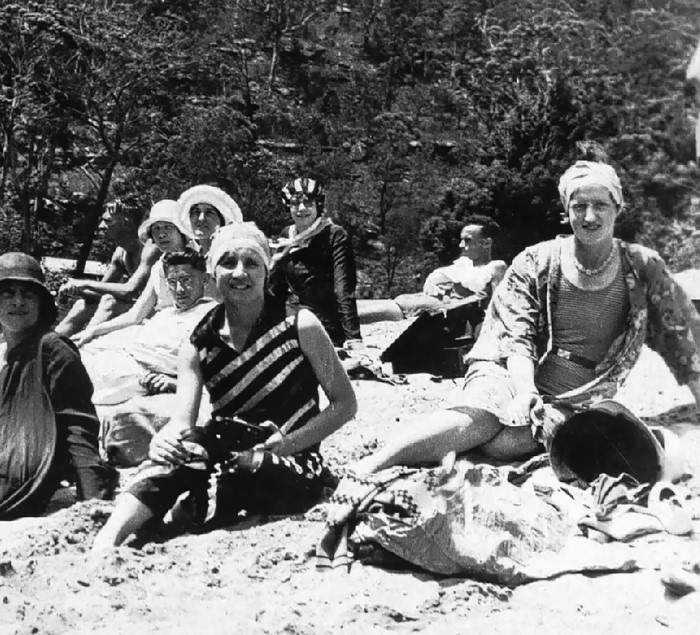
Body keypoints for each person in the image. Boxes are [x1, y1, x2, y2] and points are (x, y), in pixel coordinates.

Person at [355, 161, 700, 473]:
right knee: (481, 419)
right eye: (579, 206)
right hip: (506, 366)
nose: (590, 217)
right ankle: (375, 463)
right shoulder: (536, 261)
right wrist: (524, 391)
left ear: (617, 209)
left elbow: (680, 331)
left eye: (601, 206)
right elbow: (514, 333)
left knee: (505, 445)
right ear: (567, 210)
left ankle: (453, 450)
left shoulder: (642, 268)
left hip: (579, 389)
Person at [92, 222, 357, 549]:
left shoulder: (300, 324)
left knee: (244, 468)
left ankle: (176, 519)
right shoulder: (198, 342)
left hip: (296, 456)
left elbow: (345, 404)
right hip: (226, 442)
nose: (239, 272)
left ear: (267, 269)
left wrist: (289, 443)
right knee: (182, 451)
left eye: (252, 263)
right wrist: (164, 439)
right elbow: (182, 420)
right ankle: (110, 536)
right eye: (227, 262)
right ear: (212, 272)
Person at [0, 253, 115, 519]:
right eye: (7, 293)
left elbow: (78, 424)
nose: (18, 301)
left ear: (40, 304)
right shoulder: (8, 356)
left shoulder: (52, 348)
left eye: (27, 294)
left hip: (20, 475)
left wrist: (94, 500)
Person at [80, 248, 217, 405]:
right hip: (121, 360)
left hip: (139, 376)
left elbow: (217, 374)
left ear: (205, 279)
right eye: (172, 282)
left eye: (186, 280)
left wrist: (174, 382)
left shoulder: (212, 316)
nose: (179, 290)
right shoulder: (167, 313)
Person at [73, 199, 196, 348]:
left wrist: (84, 283)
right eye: (156, 229)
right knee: (89, 343)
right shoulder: (159, 267)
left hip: (180, 333)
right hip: (158, 325)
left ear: (181, 230)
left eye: (167, 227)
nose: (161, 234)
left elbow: (129, 292)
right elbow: (135, 314)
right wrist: (92, 332)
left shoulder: (196, 262)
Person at [357, 216, 507, 323]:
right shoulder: (464, 264)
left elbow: (499, 304)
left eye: (468, 240)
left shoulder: (495, 266)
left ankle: (341, 319)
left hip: (448, 310)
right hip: (428, 300)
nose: (461, 245)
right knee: (391, 302)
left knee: (397, 306)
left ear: (486, 243)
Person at [270, 177, 363, 348]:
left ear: (318, 206)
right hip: (291, 320)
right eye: (295, 203)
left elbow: (343, 289)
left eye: (309, 203)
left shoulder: (335, 235)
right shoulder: (287, 236)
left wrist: (354, 338)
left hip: (323, 325)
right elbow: (278, 287)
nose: (301, 208)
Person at [55, 200, 161, 337]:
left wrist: (84, 283)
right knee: (83, 304)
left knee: (110, 303)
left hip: (155, 311)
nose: (101, 226)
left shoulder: (150, 248)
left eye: (108, 221)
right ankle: (48, 347)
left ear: (125, 223)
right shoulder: (120, 254)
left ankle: (82, 344)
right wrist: (74, 290)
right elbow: (100, 291)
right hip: (135, 309)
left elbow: (129, 291)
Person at [177, 184, 242, 255]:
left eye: (209, 212)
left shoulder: (231, 256)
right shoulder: (186, 257)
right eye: (196, 212)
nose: (201, 218)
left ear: (222, 221)